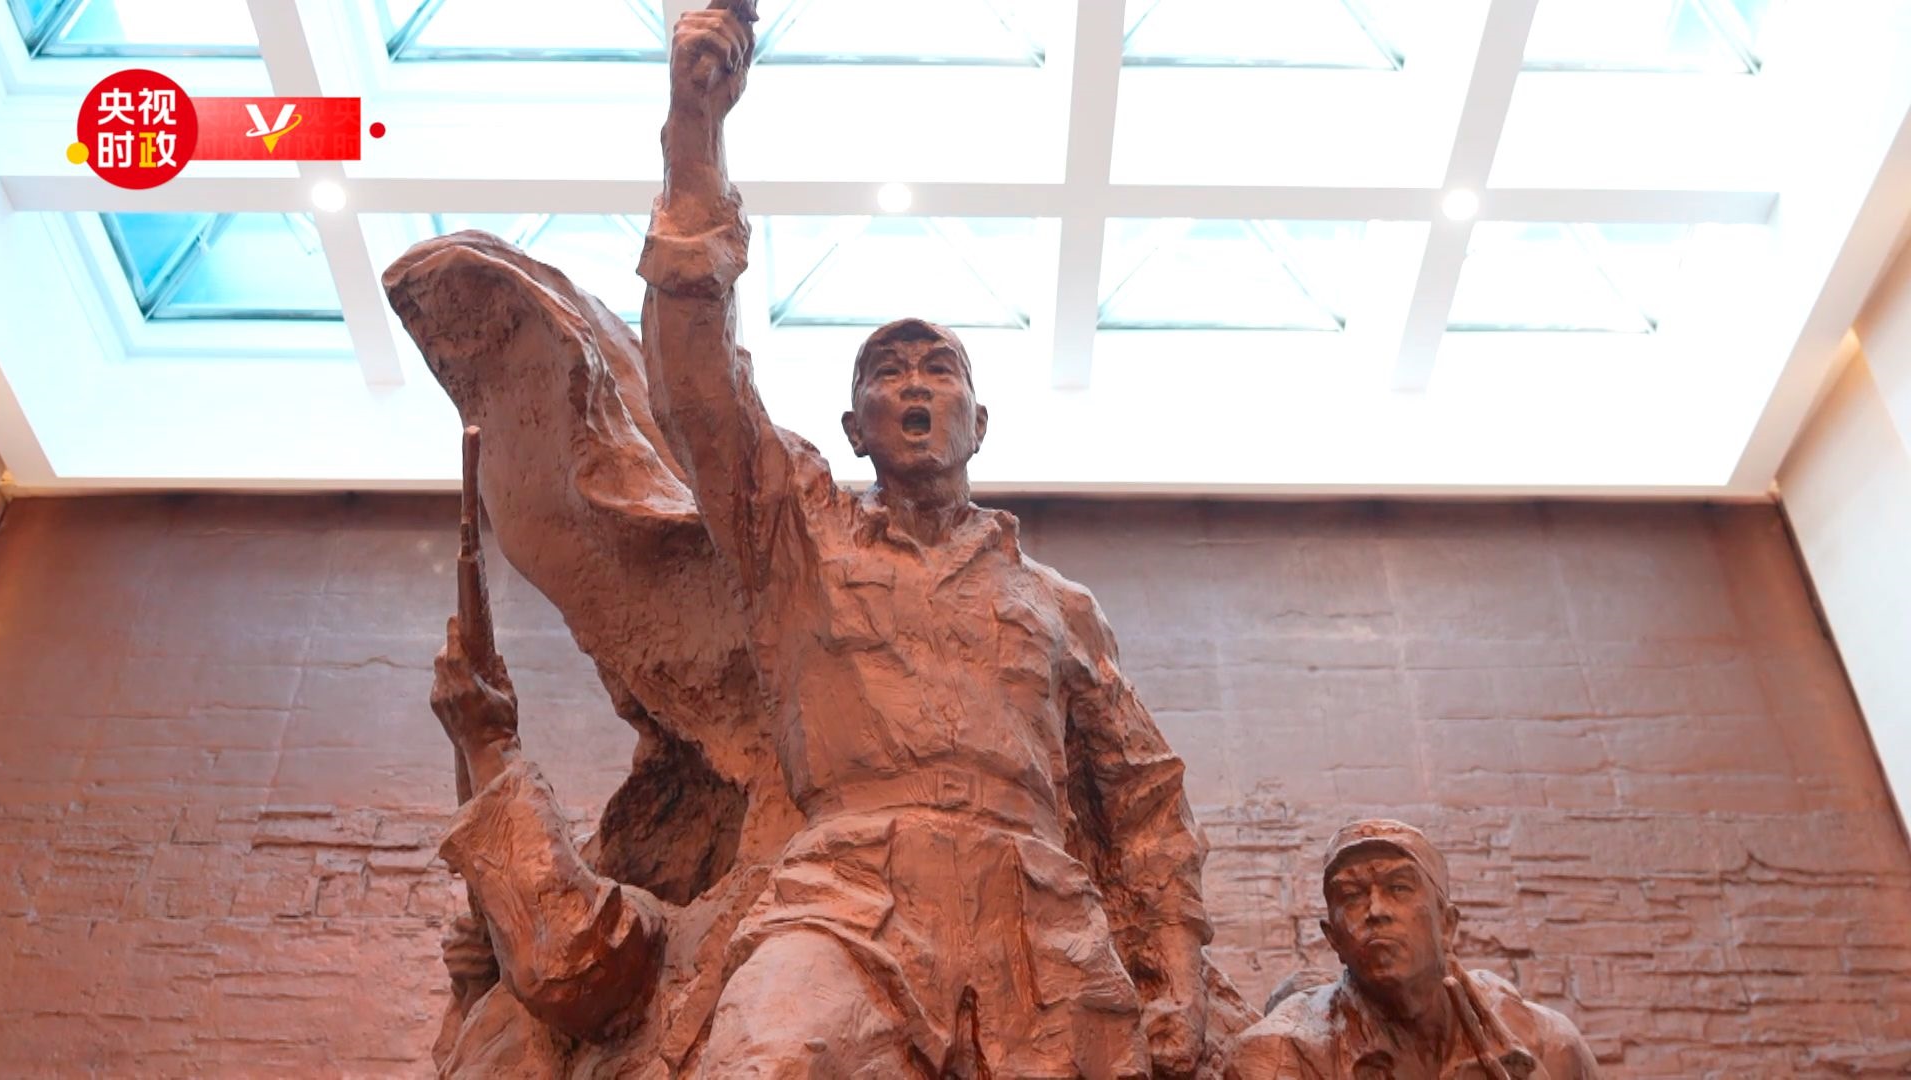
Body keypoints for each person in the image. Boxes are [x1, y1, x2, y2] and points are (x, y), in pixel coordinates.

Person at [420, 1, 1219, 1075]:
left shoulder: (1059, 608)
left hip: (1040, 929)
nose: (915, 387)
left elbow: (1147, 805)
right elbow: (698, 390)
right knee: (764, 1056)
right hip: (846, 895)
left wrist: (1176, 979)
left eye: (940, 371)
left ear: (980, 423)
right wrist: (696, 131)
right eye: (888, 374)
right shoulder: (801, 538)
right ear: (855, 428)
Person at [1225, 821, 1600, 1080]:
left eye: (1399, 888)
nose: (1376, 911)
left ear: (1447, 924)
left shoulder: (1550, 1045)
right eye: (1351, 895)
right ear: (1333, 938)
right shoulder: (1280, 1054)